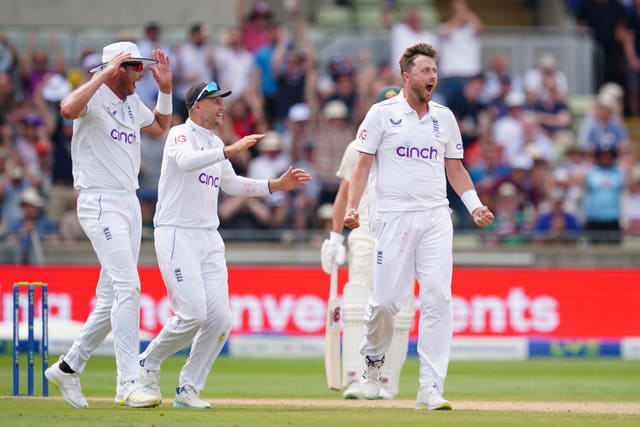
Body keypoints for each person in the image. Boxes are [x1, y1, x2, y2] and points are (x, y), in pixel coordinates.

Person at [137, 81, 311, 408]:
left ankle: (189, 388)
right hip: (177, 232)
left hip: (208, 236)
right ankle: (147, 362)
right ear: (196, 105)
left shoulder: (214, 142)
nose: (222, 107)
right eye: (215, 101)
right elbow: (187, 162)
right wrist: (228, 151)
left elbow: (231, 184)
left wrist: (275, 184)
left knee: (220, 319)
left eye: (222, 101)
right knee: (192, 314)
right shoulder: (179, 134)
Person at [343, 43, 494, 410]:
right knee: (386, 303)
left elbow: (455, 168)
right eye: (426, 71)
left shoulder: (444, 117)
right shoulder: (381, 114)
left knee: (438, 299)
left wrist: (474, 206)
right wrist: (351, 208)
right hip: (393, 217)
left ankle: (430, 387)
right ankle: (372, 366)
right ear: (407, 76)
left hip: (436, 217)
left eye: (435, 70)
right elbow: (362, 166)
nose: (433, 77)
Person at [44, 40, 173, 409]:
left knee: (110, 298)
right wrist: (104, 73)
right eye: (135, 68)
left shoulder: (132, 103)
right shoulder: (93, 97)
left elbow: (161, 126)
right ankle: (127, 383)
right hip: (99, 201)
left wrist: (165, 91)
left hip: (128, 202)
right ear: (118, 68)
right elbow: (67, 108)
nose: (141, 74)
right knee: (129, 287)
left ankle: (68, 367)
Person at [321, 85, 415, 400]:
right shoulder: (356, 148)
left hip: (401, 232)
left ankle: (386, 380)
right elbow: (343, 196)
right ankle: (354, 377)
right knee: (358, 302)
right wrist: (335, 238)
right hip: (363, 232)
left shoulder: (413, 145)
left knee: (399, 307)